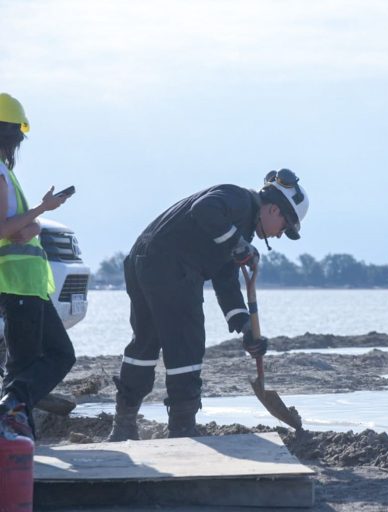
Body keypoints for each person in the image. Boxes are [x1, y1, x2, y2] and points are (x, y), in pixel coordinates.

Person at [107, 169, 309, 441]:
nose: (280, 235)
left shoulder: (239, 227)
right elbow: (205, 208)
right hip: (170, 266)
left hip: (143, 261)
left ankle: (124, 426)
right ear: (274, 209)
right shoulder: (238, 199)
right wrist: (237, 243)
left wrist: (245, 326)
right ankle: (182, 428)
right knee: (186, 344)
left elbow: (226, 280)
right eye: (285, 227)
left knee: (145, 344)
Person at [0, 93, 76, 439]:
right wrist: (41, 211)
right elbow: (4, 229)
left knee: (41, 361)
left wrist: (32, 224)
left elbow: (20, 228)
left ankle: (15, 425)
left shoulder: (4, 173)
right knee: (35, 364)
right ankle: (12, 412)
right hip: (16, 284)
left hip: (29, 285)